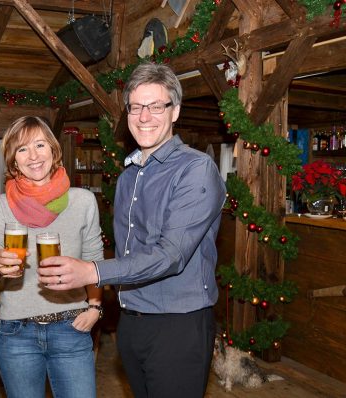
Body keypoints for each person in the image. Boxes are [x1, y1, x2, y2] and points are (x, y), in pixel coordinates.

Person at [37, 62, 227, 397]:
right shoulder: (127, 178)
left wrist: (93, 272)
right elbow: (130, 251)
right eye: (136, 107)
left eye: (156, 106)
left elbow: (171, 256)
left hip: (177, 325)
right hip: (131, 321)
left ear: (175, 111)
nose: (144, 117)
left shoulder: (196, 169)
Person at [0, 116, 103, 398]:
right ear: (13, 160)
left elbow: (96, 262)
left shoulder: (83, 201)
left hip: (71, 327)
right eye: (23, 149)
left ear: (53, 150)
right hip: (16, 333)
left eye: (40, 145)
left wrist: (95, 308)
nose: (33, 156)